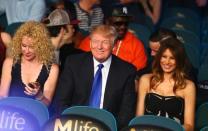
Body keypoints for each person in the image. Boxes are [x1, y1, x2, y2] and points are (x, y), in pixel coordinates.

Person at [55, 24, 137, 129]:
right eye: (95, 41)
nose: (99, 46)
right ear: (90, 43)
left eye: (105, 42)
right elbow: (61, 101)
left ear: (114, 46)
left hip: (107, 127)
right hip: (75, 125)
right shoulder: (74, 63)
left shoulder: (127, 71)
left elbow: (126, 113)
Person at [136, 37, 196, 131]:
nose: (167, 62)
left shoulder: (188, 86)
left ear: (179, 60)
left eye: (172, 58)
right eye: (164, 56)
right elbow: (139, 118)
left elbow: (189, 126)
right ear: (159, 57)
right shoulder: (145, 80)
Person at [0, 21, 59, 106]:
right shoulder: (9, 63)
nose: (26, 51)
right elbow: (2, 97)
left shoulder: (52, 69)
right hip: (11, 113)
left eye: (31, 47)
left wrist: (39, 95)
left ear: (41, 46)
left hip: (34, 115)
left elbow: (46, 106)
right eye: (24, 46)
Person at [78, 5, 147, 70]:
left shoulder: (136, 44)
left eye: (126, 23)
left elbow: (136, 74)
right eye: (118, 23)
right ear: (106, 22)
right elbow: (81, 68)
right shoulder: (90, 41)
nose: (123, 27)